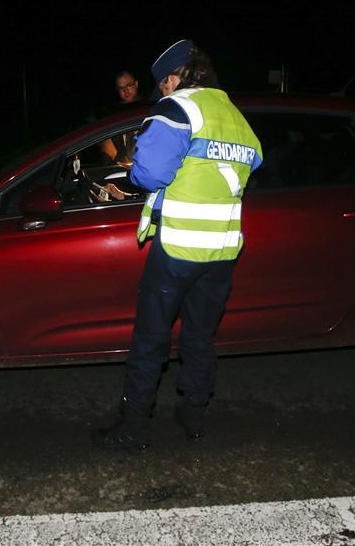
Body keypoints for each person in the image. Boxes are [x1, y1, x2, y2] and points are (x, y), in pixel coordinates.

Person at [92, 39, 263, 452]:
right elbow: (253, 161)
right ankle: (193, 416)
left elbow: (149, 174)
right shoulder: (232, 113)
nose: (162, 93)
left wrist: (133, 177)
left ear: (173, 77)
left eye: (161, 85)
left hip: (178, 249)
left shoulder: (178, 108)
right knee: (200, 338)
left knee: (151, 339)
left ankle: (133, 428)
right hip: (221, 251)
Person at [99, 70, 144, 164]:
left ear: (136, 84)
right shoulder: (115, 115)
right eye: (121, 88)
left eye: (129, 86)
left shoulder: (147, 109)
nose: (126, 91)